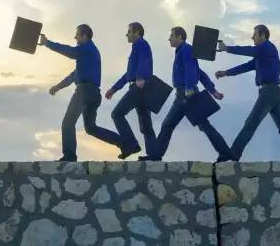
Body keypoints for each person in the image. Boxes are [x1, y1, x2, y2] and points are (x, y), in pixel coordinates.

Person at [141, 27, 234, 161]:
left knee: (169, 124)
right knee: (202, 126)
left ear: (179, 37)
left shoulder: (185, 50)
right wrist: (213, 91)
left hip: (185, 94)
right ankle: (225, 152)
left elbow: (191, 70)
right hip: (185, 94)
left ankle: (156, 155)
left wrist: (189, 88)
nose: (169, 39)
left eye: (171, 36)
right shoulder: (184, 51)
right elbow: (199, 73)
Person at [39, 25, 122, 161]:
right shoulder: (87, 55)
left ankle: (69, 155)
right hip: (94, 94)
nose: (75, 38)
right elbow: (73, 76)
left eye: (77, 35)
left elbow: (70, 51)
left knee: (68, 122)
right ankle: (124, 143)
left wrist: (47, 43)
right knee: (91, 128)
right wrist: (57, 87)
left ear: (84, 36)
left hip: (84, 92)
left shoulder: (86, 48)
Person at [216, 24, 280, 161]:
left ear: (262, 35)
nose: (252, 37)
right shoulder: (262, 54)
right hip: (272, 93)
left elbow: (248, 50)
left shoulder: (266, 48)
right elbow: (246, 66)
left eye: (255, 35)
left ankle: (234, 154)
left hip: (269, 92)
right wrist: (226, 73)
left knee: (251, 122)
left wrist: (227, 48)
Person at [105, 22, 156, 159]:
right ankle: (154, 155)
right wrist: (114, 89)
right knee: (146, 124)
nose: (126, 34)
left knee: (117, 114)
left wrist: (139, 78)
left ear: (137, 33)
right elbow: (129, 74)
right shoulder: (137, 47)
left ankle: (132, 144)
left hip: (139, 87)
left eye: (129, 32)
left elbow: (143, 62)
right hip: (142, 87)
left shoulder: (140, 44)